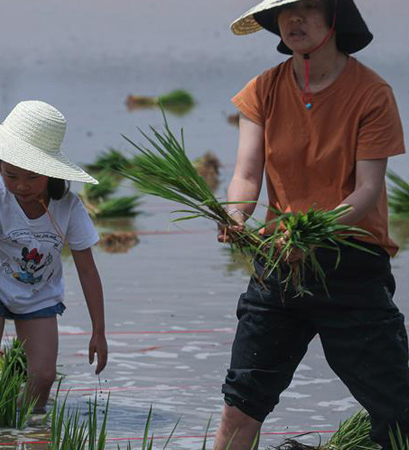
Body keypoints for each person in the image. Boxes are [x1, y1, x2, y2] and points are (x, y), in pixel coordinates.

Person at [216, 1, 407, 448]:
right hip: (279, 263)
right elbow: (246, 175)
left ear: (334, 16)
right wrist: (237, 215)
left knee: (396, 410)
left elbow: (365, 191)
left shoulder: (371, 93)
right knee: (241, 402)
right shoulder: (262, 89)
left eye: (307, 8)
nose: (294, 19)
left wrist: (315, 234)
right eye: (286, 11)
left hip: (352, 264)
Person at [0, 100, 108, 412]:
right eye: (11, 176)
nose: (21, 186)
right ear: (0, 165)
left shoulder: (69, 208)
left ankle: (18, 431)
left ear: (51, 173)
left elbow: (88, 271)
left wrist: (99, 331)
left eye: (32, 177)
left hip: (38, 293)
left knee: (43, 376)